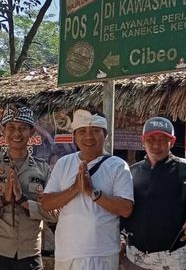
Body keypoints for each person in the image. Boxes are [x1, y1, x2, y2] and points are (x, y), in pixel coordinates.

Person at [0, 106, 56, 270]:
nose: (17, 133)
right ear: (2, 131)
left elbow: (56, 214)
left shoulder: (44, 170)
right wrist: (1, 201)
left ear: (32, 132)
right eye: (11, 127)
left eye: (22, 128)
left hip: (30, 255)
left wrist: (24, 201)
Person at [41, 109, 133, 270]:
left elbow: (126, 209)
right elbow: (47, 203)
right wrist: (74, 189)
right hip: (67, 253)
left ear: (106, 135)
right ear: (75, 136)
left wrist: (92, 192)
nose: (88, 136)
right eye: (82, 131)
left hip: (102, 254)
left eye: (96, 131)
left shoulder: (118, 166)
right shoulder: (63, 164)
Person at [122, 117, 186, 270]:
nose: (156, 144)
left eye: (163, 139)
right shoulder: (133, 171)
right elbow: (125, 211)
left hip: (173, 258)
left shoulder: (185, 169)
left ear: (172, 142)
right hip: (135, 258)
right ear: (143, 140)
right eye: (151, 139)